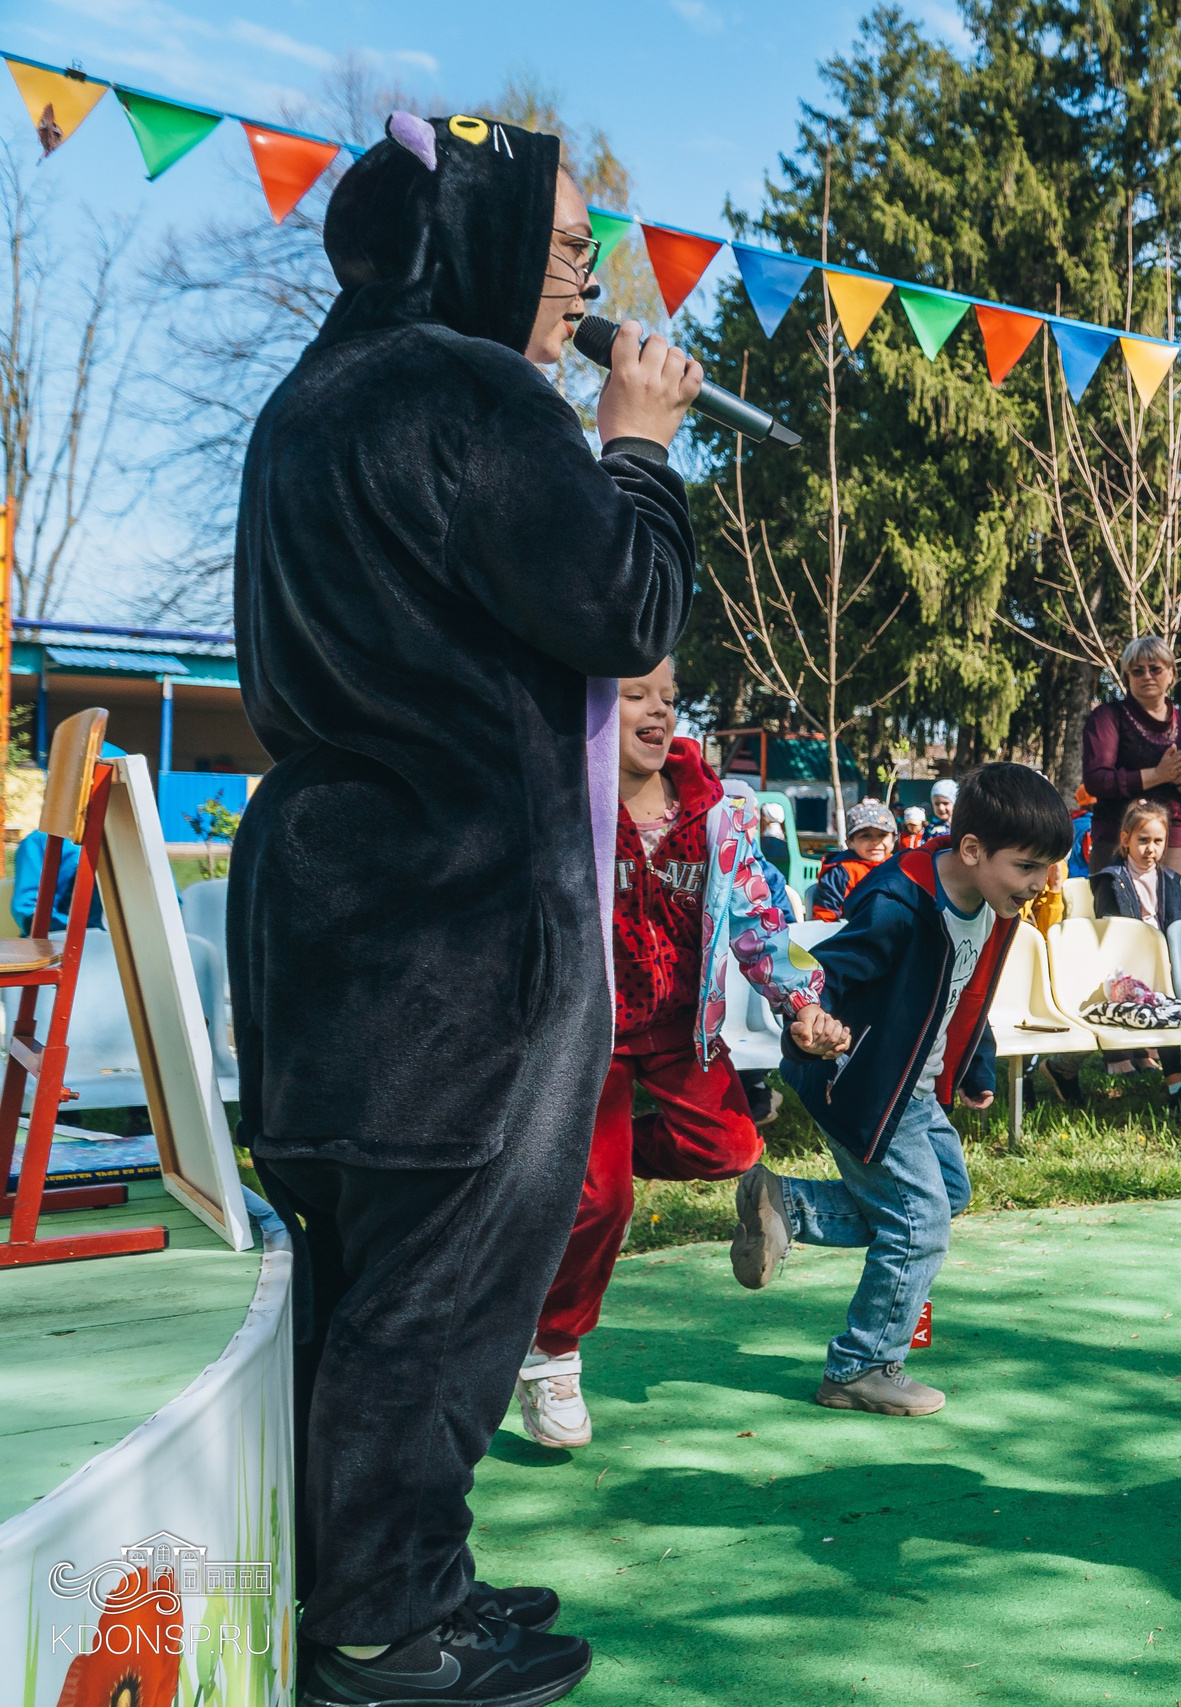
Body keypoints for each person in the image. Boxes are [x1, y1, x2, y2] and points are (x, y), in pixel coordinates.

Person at [232, 112, 698, 1707]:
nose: (585, 283)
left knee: (366, 1281)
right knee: (436, 1297)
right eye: (565, 248)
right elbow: (624, 607)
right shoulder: (470, 390)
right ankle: (383, 1630)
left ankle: (394, 1581)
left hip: (328, 913)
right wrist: (636, 446)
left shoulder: (309, 403)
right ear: (478, 243)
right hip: (458, 925)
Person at [515, 663, 843, 1448]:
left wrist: (801, 1002)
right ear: (595, 709)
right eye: (636, 695)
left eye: (667, 696)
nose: (657, 710)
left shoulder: (714, 811)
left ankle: (582, 1169)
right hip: (590, 1032)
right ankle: (551, 1351)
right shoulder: (562, 801)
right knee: (605, 1202)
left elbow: (761, 918)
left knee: (733, 1146)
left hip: (679, 1029)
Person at [730, 763, 1072, 1416]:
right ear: (971, 850)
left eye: (1045, 867)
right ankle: (859, 1366)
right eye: (1027, 867)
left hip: (915, 1088)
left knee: (947, 1194)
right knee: (920, 1225)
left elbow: (967, 991)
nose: (1038, 883)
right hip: (865, 1084)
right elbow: (830, 969)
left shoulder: (991, 902)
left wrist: (975, 1064)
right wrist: (812, 1021)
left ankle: (786, 1205)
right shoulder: (899, 901)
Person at [1091, 800, 1181, 1106]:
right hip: (1126, 968)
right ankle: (1175, 1081)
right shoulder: (1110, 880)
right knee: (1162, 995)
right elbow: (1111, 934)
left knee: (1177, 990)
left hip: (1165, 964)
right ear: (1125, 839)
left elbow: (1174, 925)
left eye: (1158, 841)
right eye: (1143, 840)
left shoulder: (1170, 881)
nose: (1150, 849)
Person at [1083, 634, 1181, 874]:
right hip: (1116, 837)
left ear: (1171, 674)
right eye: (1137, 671)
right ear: (1127, 678)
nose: (1147, 676)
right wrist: (1157, 774)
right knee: (1113, 900)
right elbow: (1096, 781)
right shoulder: (1107, 717)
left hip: (1172, 841)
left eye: (1155, 669)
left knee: (1171, 900)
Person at [10, 741, 124, 933]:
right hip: (62, 941)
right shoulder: (39, 842)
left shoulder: (136, 847)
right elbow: (29, 911)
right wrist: (81, 932)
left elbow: (167, 904)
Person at [811, 800, 899, 921]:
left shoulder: (898, 867)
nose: (875, 842)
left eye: (882, 835)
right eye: (865, 836)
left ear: (894, 839)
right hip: (851, 929)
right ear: (850, 843)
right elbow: (826, 916)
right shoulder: (841, 871)